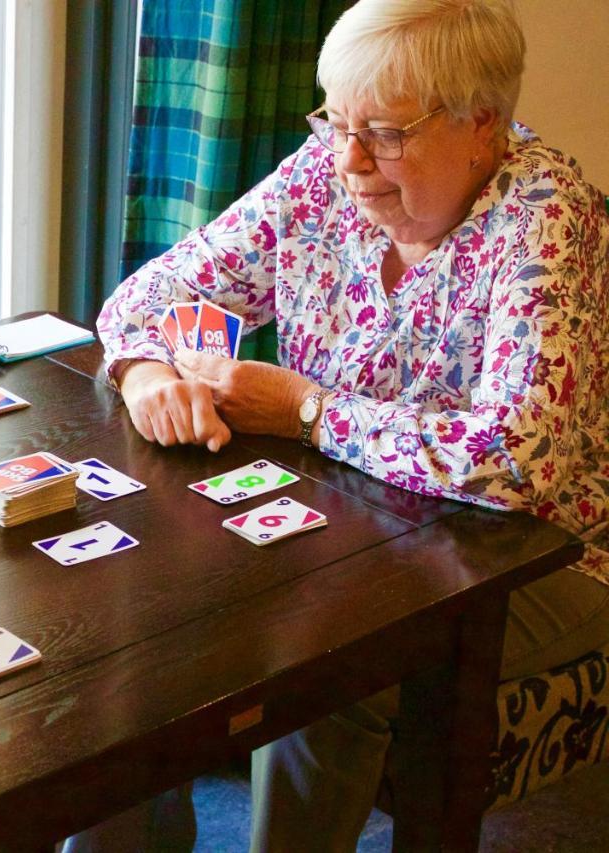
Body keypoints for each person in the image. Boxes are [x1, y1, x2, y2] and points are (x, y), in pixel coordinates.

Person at [98, 0, 609, 849]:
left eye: (384, 132)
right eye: (334, 120)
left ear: (481, 124)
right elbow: (151, 295)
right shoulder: (324, 173)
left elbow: (514, 461)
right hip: (345, 520)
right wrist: (145, 367)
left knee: (325, 662)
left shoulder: (548, 219)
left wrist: (309, 411)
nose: (349, 159)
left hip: (536, 550)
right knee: (141, 601)